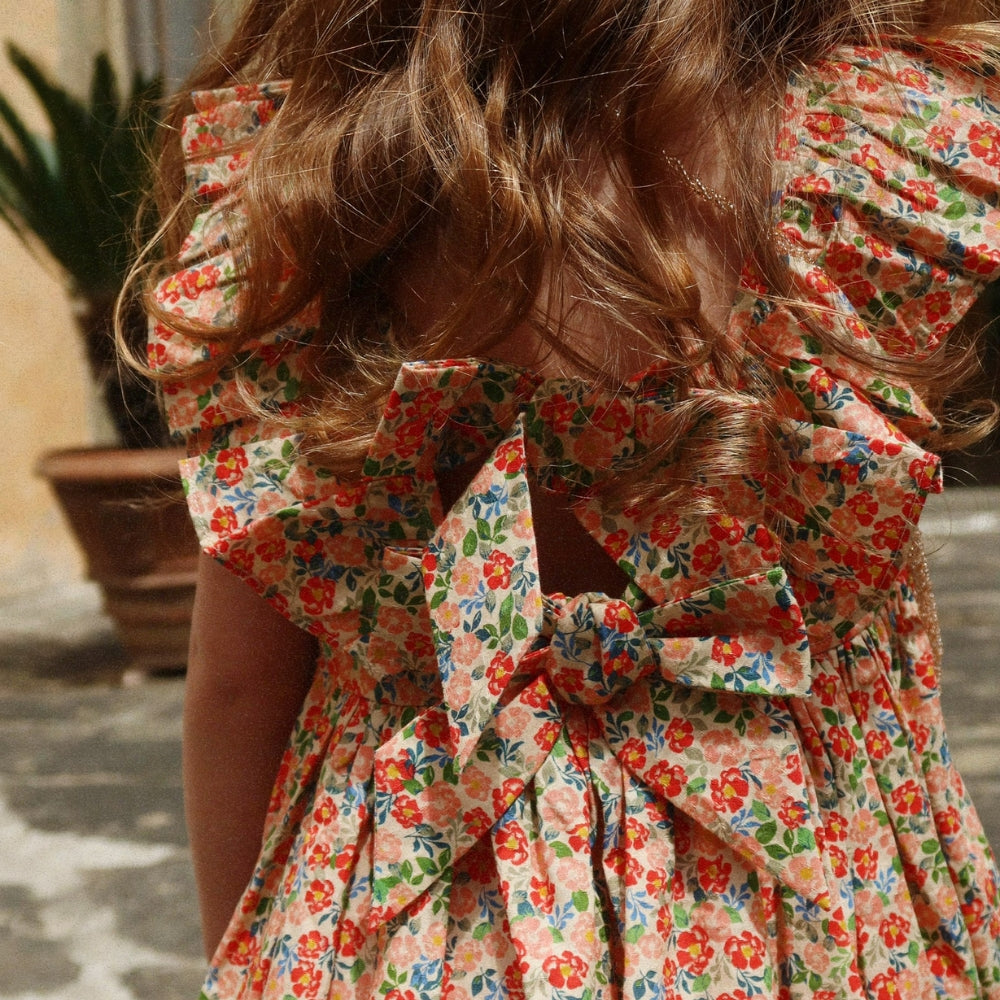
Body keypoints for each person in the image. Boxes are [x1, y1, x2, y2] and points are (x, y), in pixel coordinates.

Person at [139, 0, 1000, 996]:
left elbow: (238, 684)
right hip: (810, 912)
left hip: (408, 911)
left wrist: (247, 963)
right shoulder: (868, 157)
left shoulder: (310, 202)